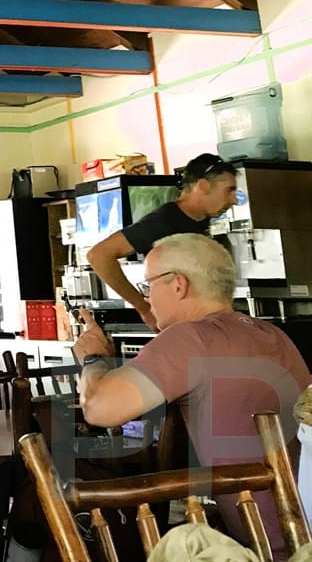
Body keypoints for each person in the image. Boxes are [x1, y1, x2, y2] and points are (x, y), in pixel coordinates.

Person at [73, 233, 311, 558]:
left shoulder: (192, 337)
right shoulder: (272, 333)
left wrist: (93, 359)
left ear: (179, 285)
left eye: (147, 286)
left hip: (269, 549)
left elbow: (99, 408)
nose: (147, 298)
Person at [86, 153, 239, 329]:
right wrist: (143, 307)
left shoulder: (202, 220)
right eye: (229, 190)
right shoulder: (164, 221)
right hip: (179, 330)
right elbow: (98, 255)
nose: (234, 200)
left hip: (202, 325)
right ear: (203, 186)